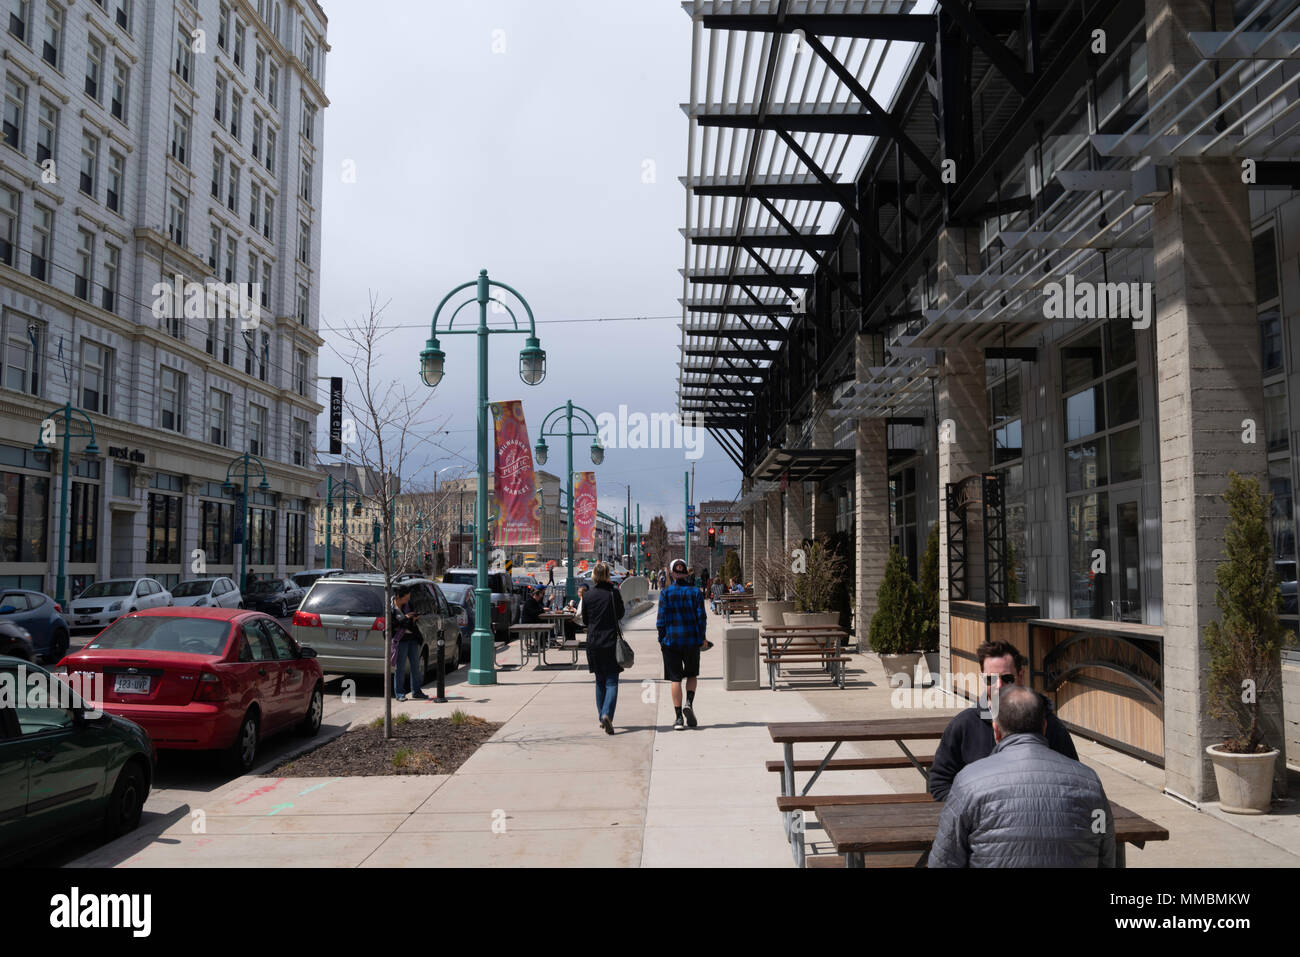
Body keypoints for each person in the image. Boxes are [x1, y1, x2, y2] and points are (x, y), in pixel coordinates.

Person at [928, 685, 1115, 868]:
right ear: (1044, 726)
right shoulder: (1089, 781)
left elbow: (945, 859)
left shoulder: (969, 781)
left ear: (996, 731)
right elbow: (1104, 848)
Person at [927, 639, 1077, 801]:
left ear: (1021, 676)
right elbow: (939, 783)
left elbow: (1073, 778)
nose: (999, 685)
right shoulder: (963, 725)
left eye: (1007, 678)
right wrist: (975, 811)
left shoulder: (1050, 724)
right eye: (990, 679)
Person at [657, 558, 710, 730]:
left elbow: (661, 620)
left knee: (675, 679)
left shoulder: (665, 594)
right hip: (692, 640)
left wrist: (661, 639)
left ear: (672, 574)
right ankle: (689, 702)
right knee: (692, 674)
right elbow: (702, 618)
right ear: (686, 573)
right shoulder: (695, 593)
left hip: (671, 641)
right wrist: (702, 637)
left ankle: (679, 718)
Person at [583, 562, 626, 734]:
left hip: (593, 642)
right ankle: (607, 713)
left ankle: (602, 715)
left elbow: (585, 620)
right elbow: (621, 613)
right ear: (608, 575)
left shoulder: (587, 596)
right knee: (612, 681)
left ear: (593, 576)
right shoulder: (613, 593)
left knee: (599, 681)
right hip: (610, 642)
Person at [390, 585, 425, 702]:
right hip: (400, 640)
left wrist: (414, 618)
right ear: (398, 597)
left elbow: (409, 622)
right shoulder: (390, 608)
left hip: (412, 638)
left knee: (415, 666)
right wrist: (405, 618)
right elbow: (392, 625)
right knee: (400, 668)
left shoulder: (408, 605)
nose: (408, 600)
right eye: (406, 598)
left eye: (409, 598)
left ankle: (417, 691)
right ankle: (399, 693)